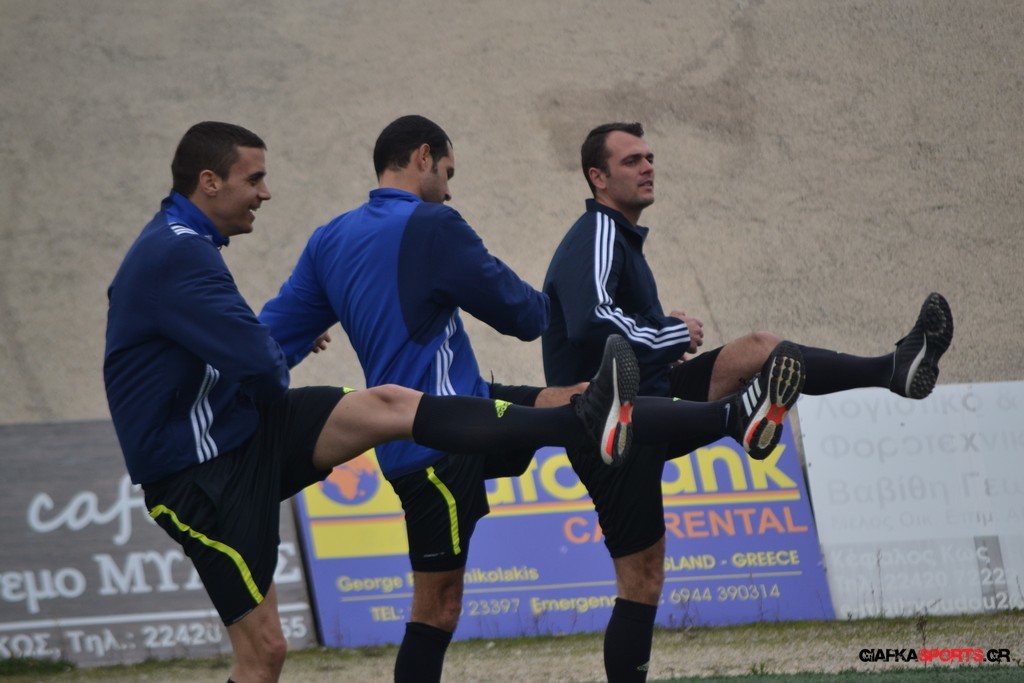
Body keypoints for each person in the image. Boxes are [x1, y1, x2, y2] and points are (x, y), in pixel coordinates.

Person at [103, 121, 799, 683]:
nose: (265, 192)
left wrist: (269, 350)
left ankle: (720, 417)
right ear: (424, 159)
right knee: (365, 626)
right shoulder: (425, 225)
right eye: (255, 179)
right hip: (369, 454)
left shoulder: (324, 237)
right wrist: (554, 306)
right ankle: (705, 417)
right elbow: (520, 314)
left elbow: (272, 336)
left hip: (419, 419)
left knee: (446, 403)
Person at [541, 121, 955, 682]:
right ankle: (743, 415)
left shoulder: (622, 238)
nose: (648, 166)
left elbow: (619, 332)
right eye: (632, 160)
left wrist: (663, 337)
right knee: (641, 580)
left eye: (650, 157)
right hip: (609, 425)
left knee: (761, 349)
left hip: (649, 399)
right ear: (597, 177)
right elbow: (593, 324)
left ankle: (892, 370)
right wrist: (671, 332)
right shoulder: (597, 232)